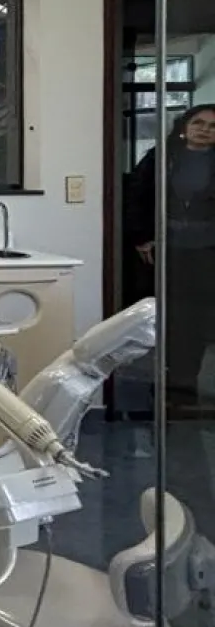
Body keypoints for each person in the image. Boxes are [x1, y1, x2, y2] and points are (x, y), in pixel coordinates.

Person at [126, 103, 215, 413]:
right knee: (165, 317)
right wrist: (141, 237)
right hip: (166, 250)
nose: (205, 130)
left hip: (206, 251)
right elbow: (136, 196)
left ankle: (184, 386)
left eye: (212, 127)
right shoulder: (161, 157)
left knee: (196, 322)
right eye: (199, 123)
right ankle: (163, 383)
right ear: (185, 126)